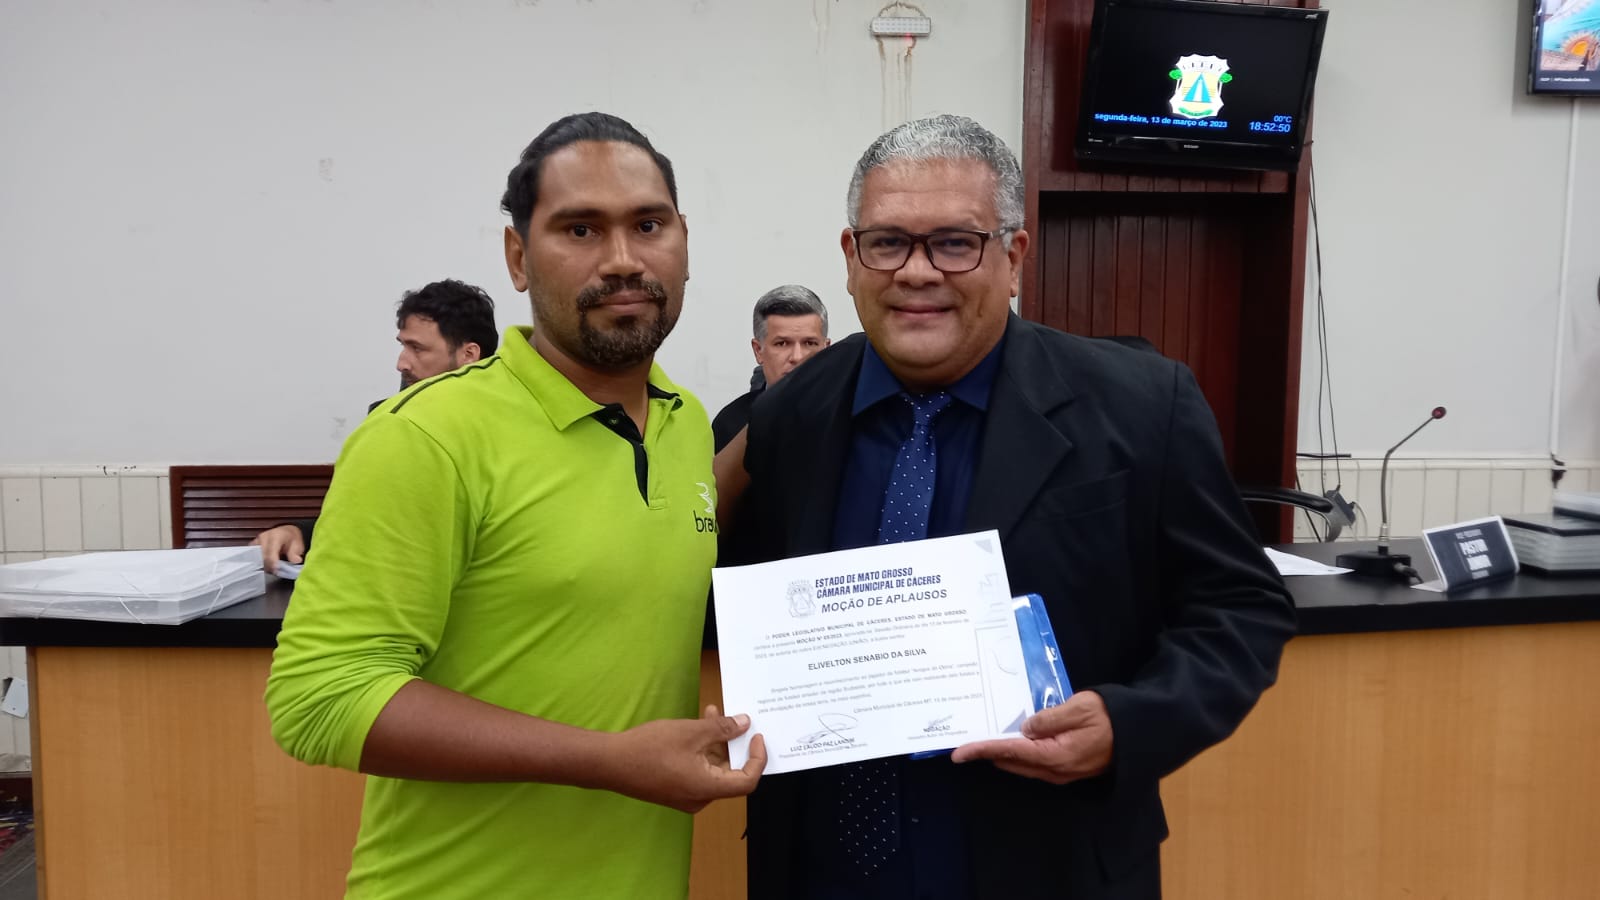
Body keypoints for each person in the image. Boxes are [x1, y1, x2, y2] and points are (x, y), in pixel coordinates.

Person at [721, 114, 1295, 899]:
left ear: (1015, 256)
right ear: (851, 258)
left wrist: (1129, 723)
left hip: (1047, 860)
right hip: (819, 868)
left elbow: (1241, 607)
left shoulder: (1140, 405)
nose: (917, 272)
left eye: (955, 243)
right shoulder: (790, 414)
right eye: (888, 243)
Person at [265, 112, 766, 900]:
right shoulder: (428, 435)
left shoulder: (685, 421)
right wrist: (606, 760)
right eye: (579, 229)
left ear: (683, 242)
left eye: (648, 225)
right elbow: (320, 698)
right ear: (517, 257)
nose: (623, 259)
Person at [252, 279, 498, 572]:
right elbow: (371, 523)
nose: (401, 363)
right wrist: (299, 534)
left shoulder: (504, 433)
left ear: (468, 355)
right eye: (403, 345)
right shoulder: (390, 421)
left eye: (417, 348)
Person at [711, 284, 831, 452]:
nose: (797, 357)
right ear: (758, 350)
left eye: (809, 343)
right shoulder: (731, 423)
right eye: (782, 343)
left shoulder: (850, 415)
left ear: (826, 349)